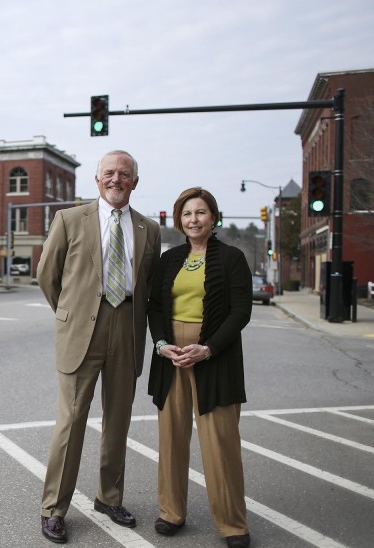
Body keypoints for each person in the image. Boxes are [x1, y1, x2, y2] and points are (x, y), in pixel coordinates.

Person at [37, 150, 161, 544]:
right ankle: (54, 508)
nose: (116, 179)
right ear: (97, 179)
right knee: (72, 421)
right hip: (81, 331)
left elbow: (150, 287)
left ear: (135, 182)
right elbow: (47, 275)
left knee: (118, 420)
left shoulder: (149, 229)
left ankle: (109, 498)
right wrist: (69, 313)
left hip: (126, 327)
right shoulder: (70, 220)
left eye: (125, 174)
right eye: (109, 173)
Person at [147, 187, 252, 548]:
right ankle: (171, 512)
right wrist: (161, 344)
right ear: (179, 220)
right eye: (187, 214)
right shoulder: (169, 259)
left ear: (213, 218)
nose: (194, 219)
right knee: (172, 438)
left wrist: (207, 349)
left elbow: (241, 311)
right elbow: (154, 306)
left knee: (220, 442)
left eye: (201, 212)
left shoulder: (232, 257)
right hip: (171, 356)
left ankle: (232, 523)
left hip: (214, 357)